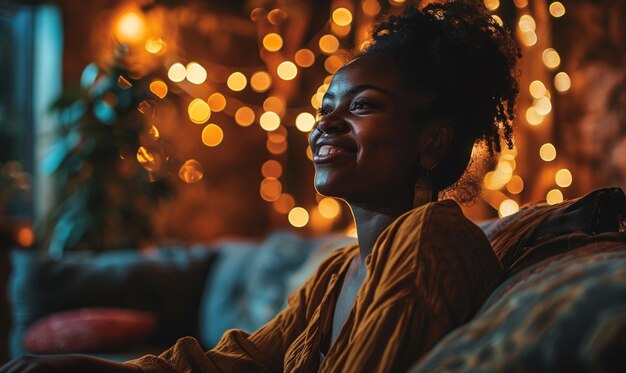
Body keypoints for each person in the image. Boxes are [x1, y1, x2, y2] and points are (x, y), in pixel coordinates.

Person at [0, 0, 520, 372]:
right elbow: (242, 358)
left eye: (362, 106)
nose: (326, 126)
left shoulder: (430, 241)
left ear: (432, 142)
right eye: (325, 109)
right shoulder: (340, 269)